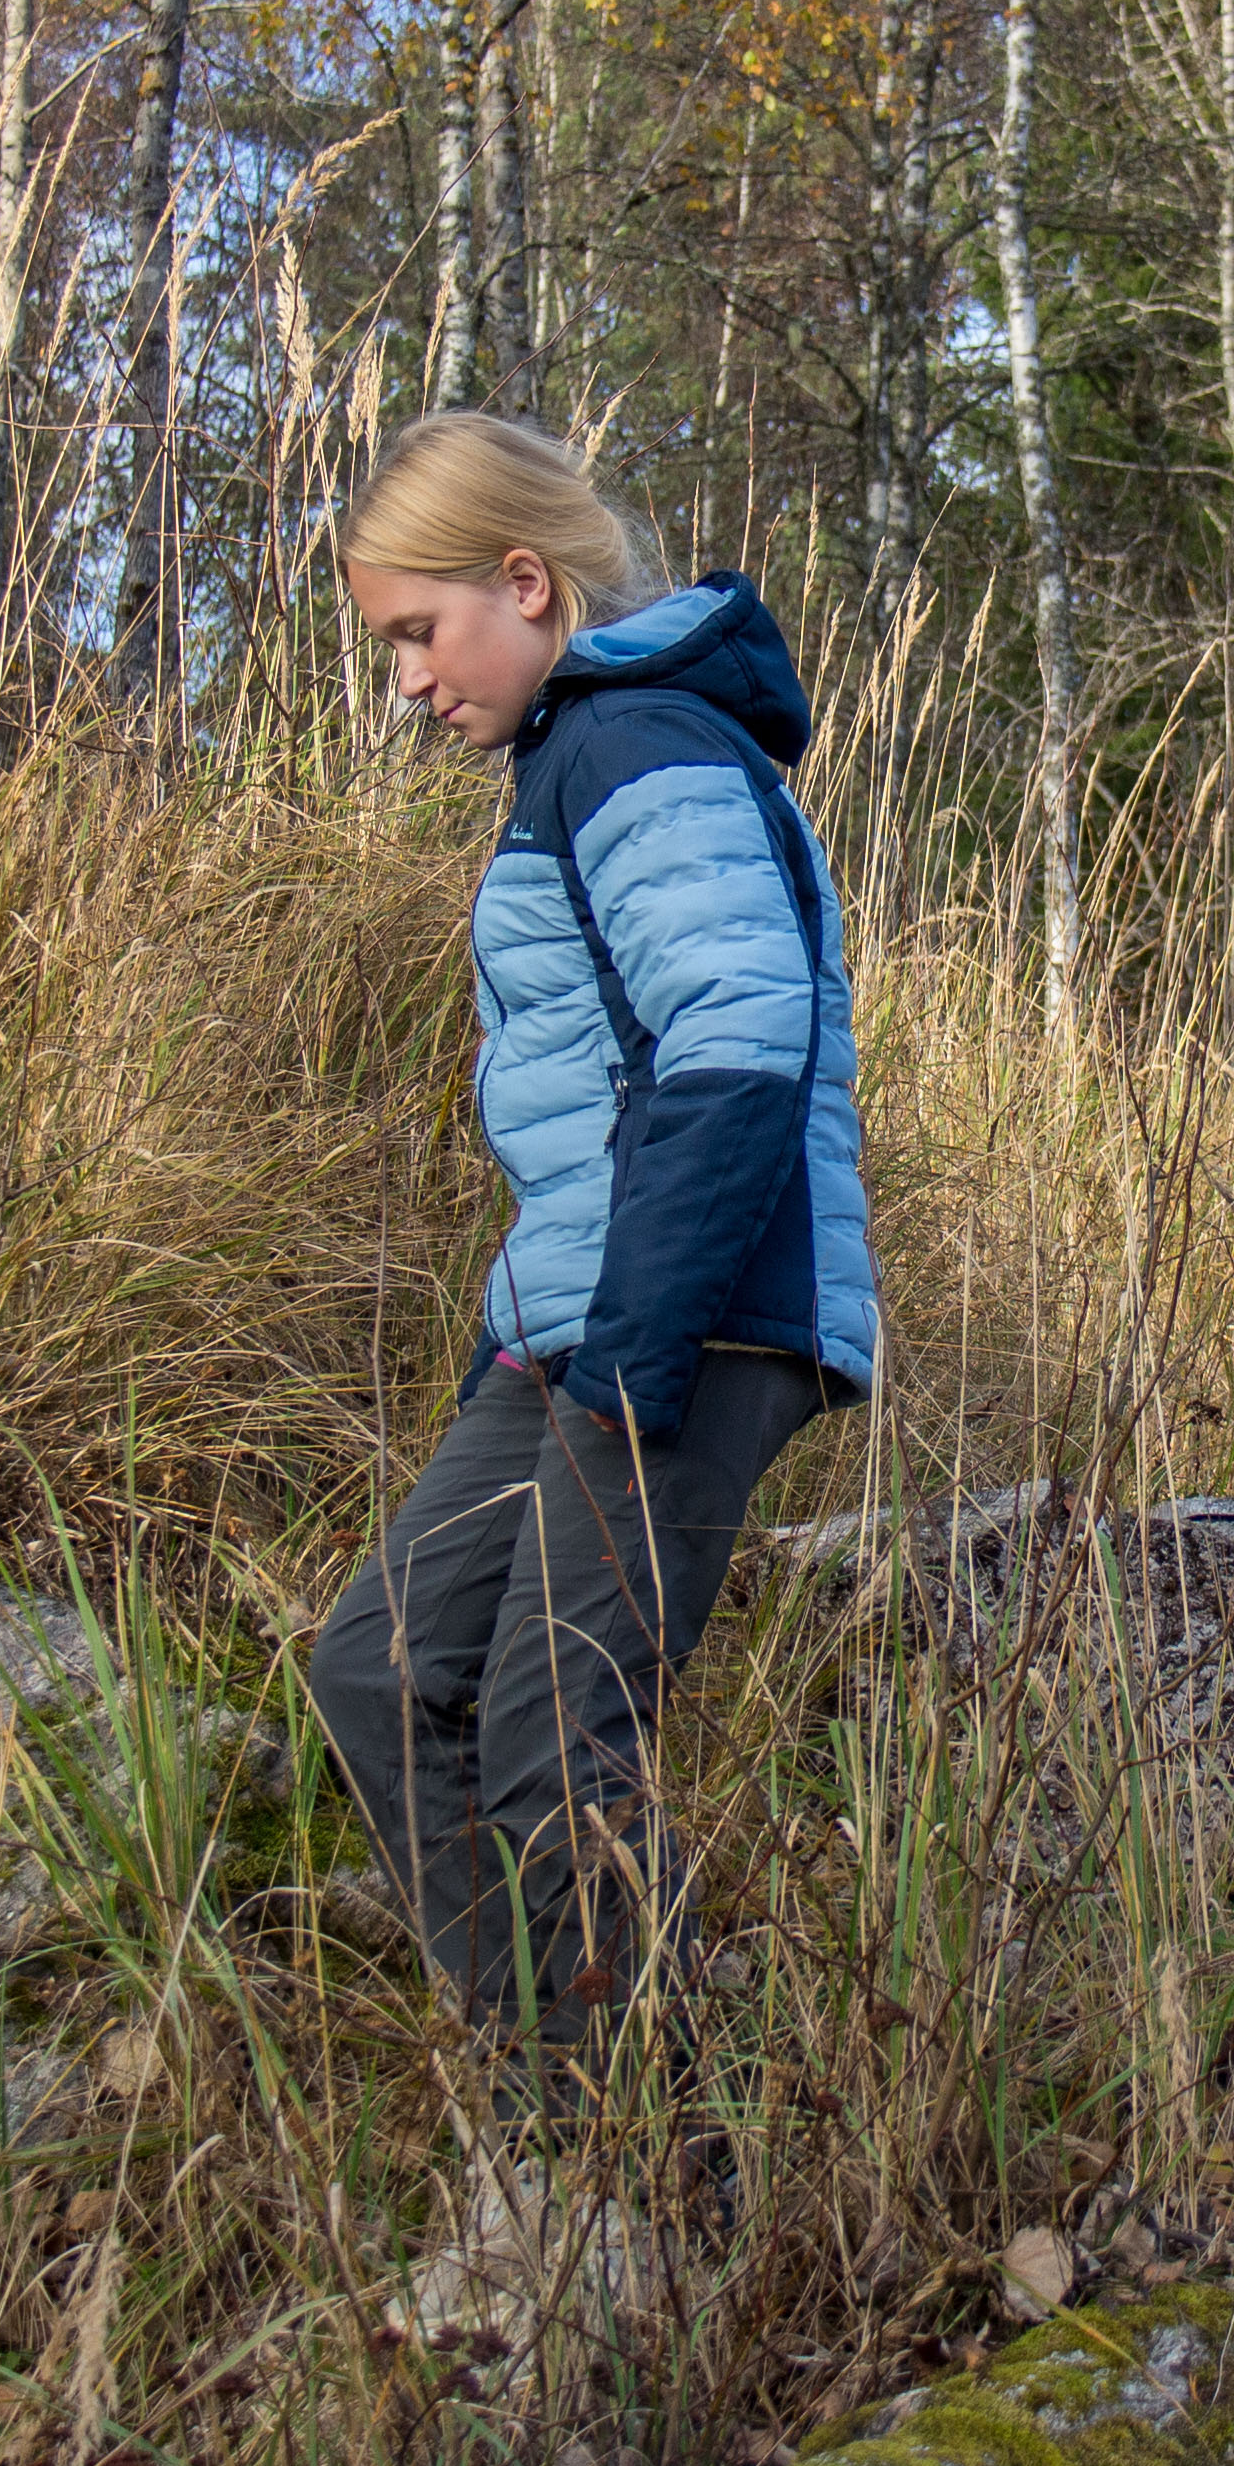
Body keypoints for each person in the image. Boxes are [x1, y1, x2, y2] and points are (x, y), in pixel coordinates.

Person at [312, 411, 873, 2122]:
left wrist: (631, 1348)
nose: (407, 682)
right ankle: (552, 2098)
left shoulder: (634, 745)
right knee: (379, 1668)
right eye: (387, 646)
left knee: (557, 1727)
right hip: (583, 1321)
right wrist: (536, 1335)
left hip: (698, 1319)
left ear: (524, 580)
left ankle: (677, 2150)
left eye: (418, 632)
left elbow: (733, 1038)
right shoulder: (578, 756)